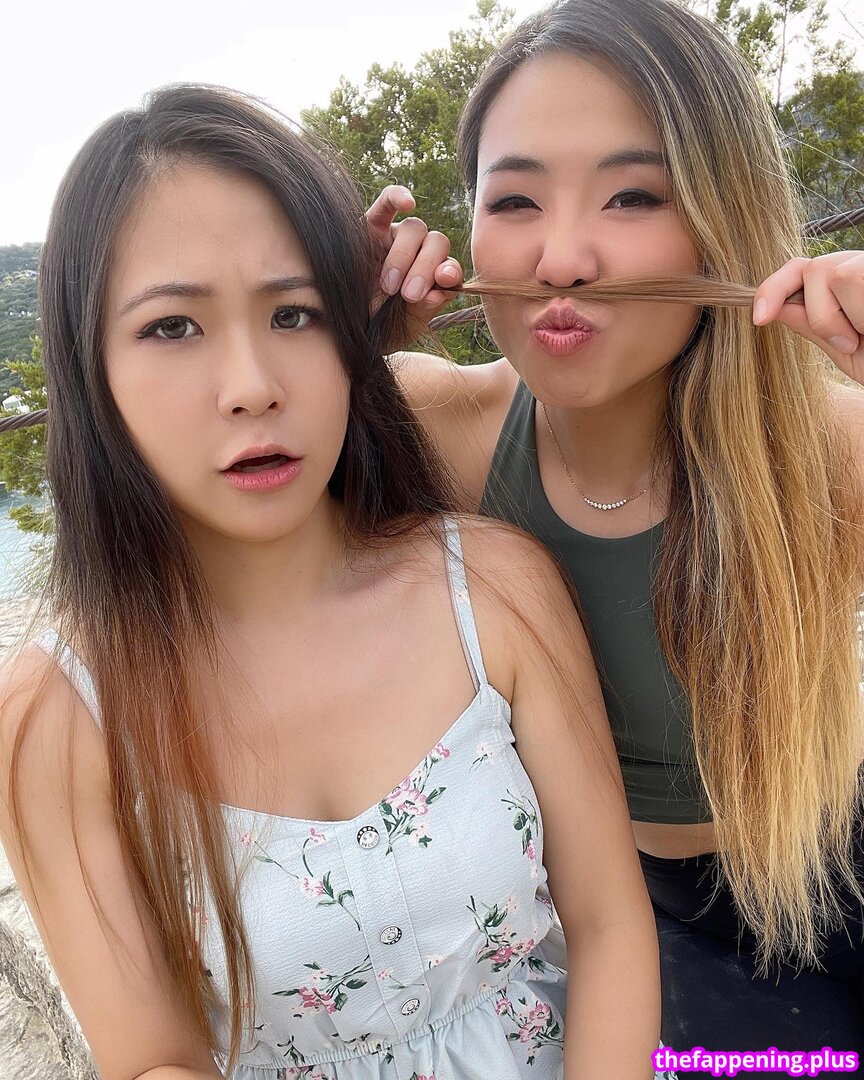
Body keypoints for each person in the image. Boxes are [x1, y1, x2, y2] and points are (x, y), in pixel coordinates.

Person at [0, 84, 666, 1080]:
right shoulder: (58, 717)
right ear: (90, 371)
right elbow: (151, 1062)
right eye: (172, 327)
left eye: (295, 313)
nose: (252, 386)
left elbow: (609, 924)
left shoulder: (492, 590)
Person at [365, 0, 864, 1067]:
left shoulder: (826, 447)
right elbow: (209, 521)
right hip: (644, 919)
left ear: (724, 219)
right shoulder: (439, 428)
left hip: (834, 854)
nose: (561, 259)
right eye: (514, 200)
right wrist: (337, 339)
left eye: (633, 195)